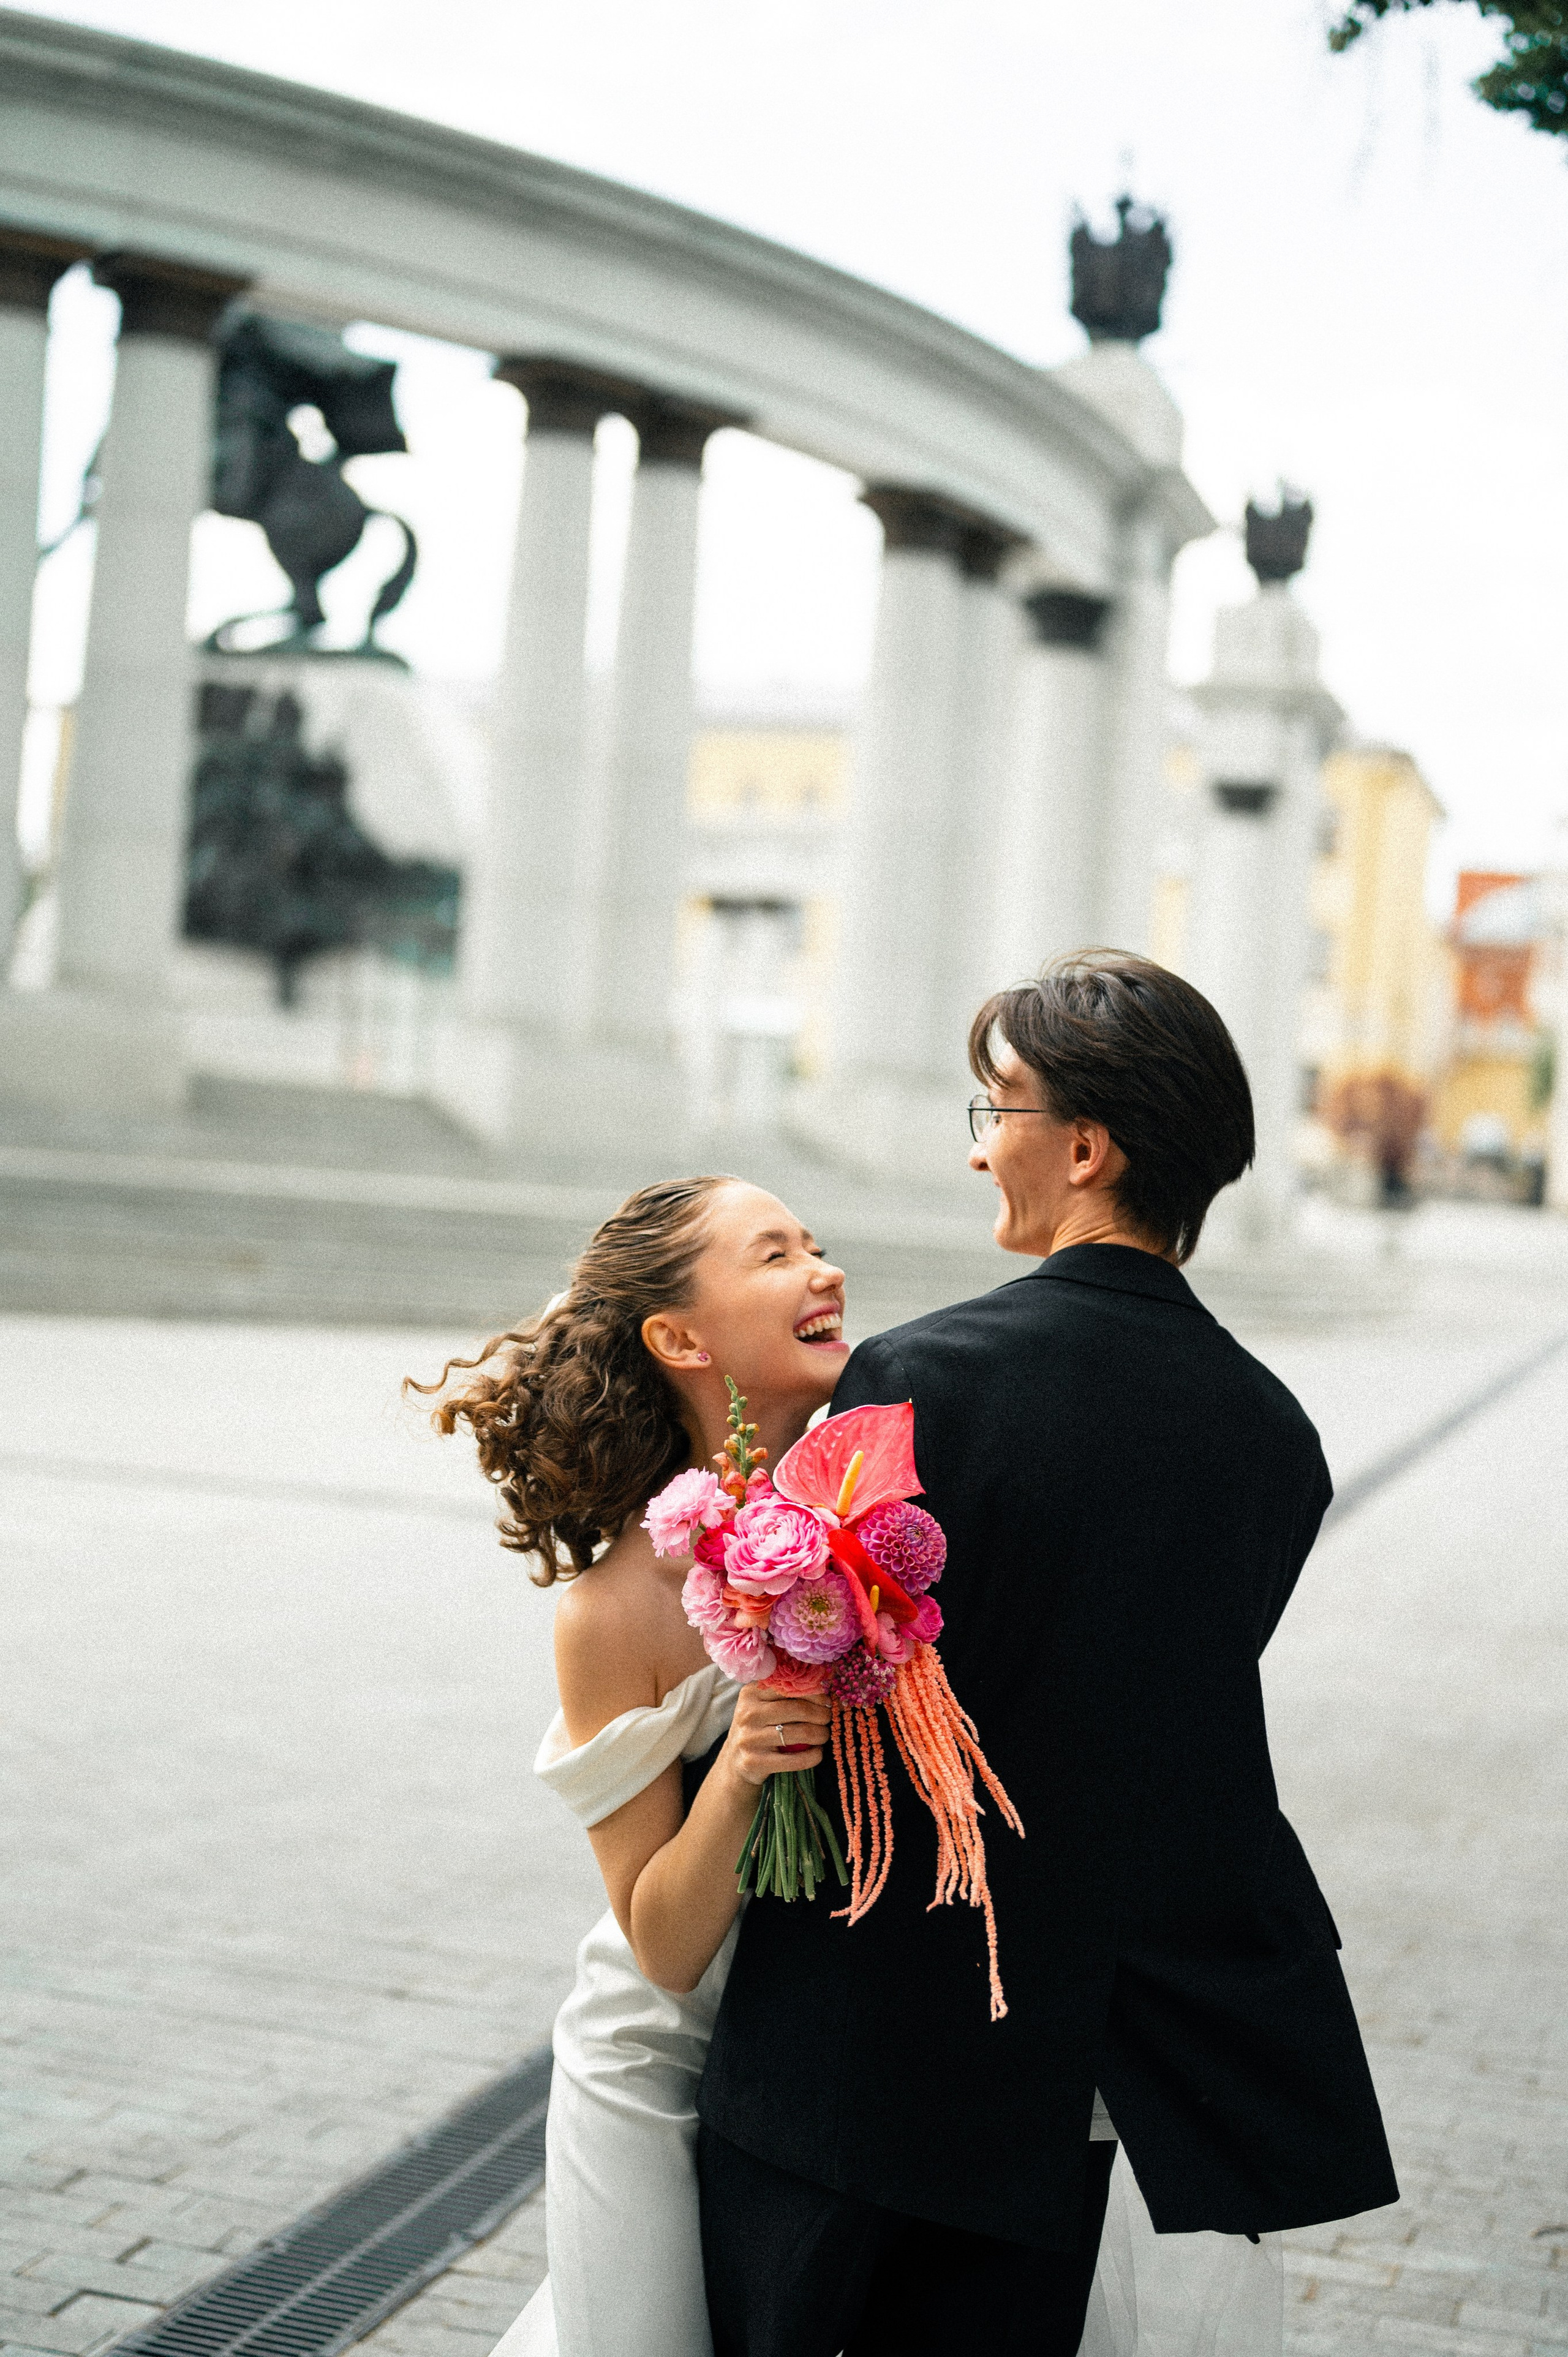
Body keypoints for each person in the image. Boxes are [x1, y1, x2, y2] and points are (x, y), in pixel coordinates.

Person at [696, 951, 1400, 2357]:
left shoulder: (919, 1377)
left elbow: (826, 1699)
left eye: (997, 1108)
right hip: (1065, 2076)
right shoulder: (1276, 1440)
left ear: (1083, 1148)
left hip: (853, 2050)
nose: (980, 1151)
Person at [415, 1175, 849, 2357]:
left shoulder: (874, 1521)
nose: (825, 1270)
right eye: (776, 1255)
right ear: (680, 1338)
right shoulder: (613, 1611)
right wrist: (745, 1766)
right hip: (656, 2064)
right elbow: (660, 1944)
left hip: (821, 2050)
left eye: (816, 1245)